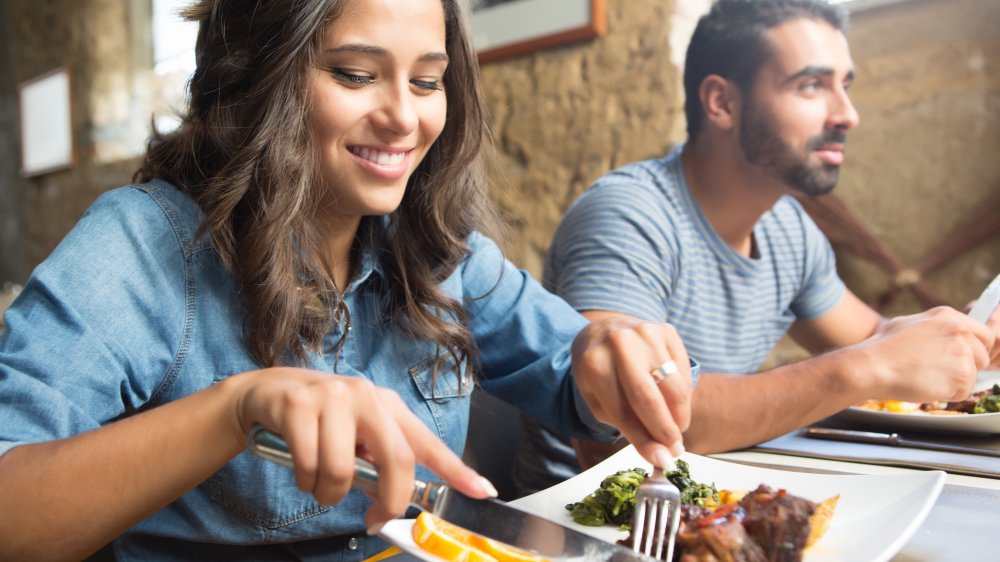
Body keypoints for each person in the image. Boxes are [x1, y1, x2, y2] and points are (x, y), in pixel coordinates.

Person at [0, 0, 697, 559]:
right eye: (356, 75)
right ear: (258, 74)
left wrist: (609, 353)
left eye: (427, 81)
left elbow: (575, 378)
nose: (403, 116)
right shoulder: (140, 244)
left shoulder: (437, 249)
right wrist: (236, 409)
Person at [512, 0, 999, 496]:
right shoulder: (628, 214)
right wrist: (870, 365)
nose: (848, 114)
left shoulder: (788, 226)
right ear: (722, 102)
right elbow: (632, 416)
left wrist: (965, 335)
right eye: (811, 85)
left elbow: (872, 337)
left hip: (714, 502)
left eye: (845, 86)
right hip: (580, 521)